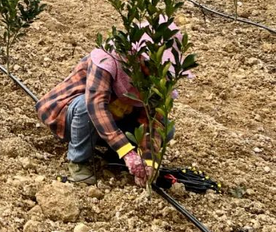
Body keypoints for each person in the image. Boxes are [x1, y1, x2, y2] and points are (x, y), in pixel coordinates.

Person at [36, 21, 186, 186]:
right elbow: (96, 106)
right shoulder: (107, 59)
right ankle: (78, 162)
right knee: (85, 105)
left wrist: (150, 161)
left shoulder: (160, 79)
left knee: (166, 127)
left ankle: (115, 155)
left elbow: (153, 121)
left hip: (116, 121)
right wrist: (127, 152)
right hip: (74, 120)